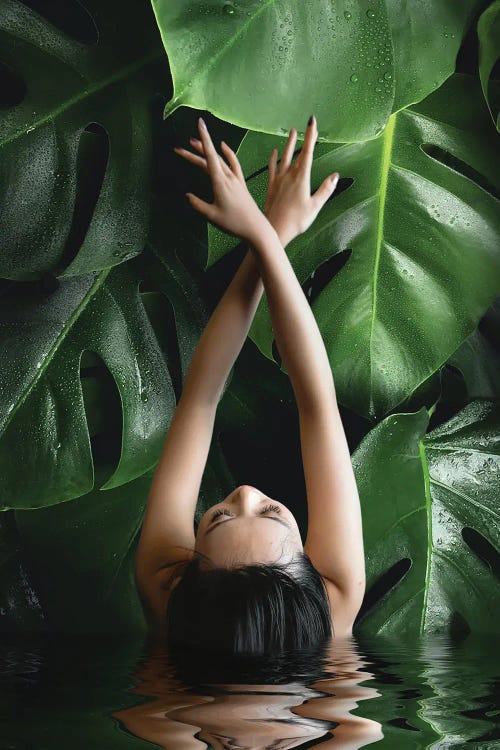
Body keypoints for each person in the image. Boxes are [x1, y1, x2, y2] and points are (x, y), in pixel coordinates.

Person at [135, 114, 365, 655]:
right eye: (271, 512)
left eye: (219, 516)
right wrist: (265, 235)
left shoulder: (168, 590)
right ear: (316, 579)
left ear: (182, 577)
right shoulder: (334, 602)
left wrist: (270, 235)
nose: (245, 493)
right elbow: (318, 404)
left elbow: (200, 399)